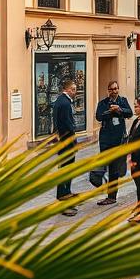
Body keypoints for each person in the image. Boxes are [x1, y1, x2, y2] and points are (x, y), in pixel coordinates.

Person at [92, 81, 134, 205]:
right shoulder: (103, 103)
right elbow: (99, 116)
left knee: (114, 169)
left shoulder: (122, 101)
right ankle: (96, 179)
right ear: (108, 91)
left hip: (118, 140)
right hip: (106, 140)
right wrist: (111, 111)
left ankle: (112, 196)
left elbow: (129, 113)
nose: (114, 91)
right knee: (103, 164)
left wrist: (119, 109)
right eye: (111, 89)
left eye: (116, 88)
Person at [52, 79, 79, 217]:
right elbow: (68, 124)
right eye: (73, 89)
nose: (75, 92)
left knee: (65, 169)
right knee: (66, 170)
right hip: (66, 142)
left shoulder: (59, 101)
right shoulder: (65, 103)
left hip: (62, 141)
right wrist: (74, 139)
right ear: (67, 89)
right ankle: (64, 200)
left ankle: (66, 193)